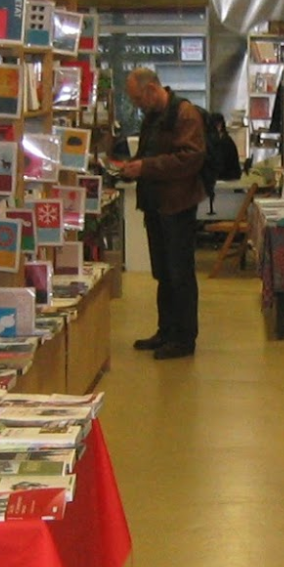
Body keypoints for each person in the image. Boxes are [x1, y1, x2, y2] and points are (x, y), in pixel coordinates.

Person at [108, 67, 205, 359]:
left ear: (151, 89)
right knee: (163, 273)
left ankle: (184, 338)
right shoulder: (153, 117)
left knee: (180, 274)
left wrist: (146, 168)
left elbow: (191, 158)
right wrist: (130, 168)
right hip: (156, 204)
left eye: (138, 99)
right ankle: (166, 331)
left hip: (177, 205)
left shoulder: (185, 114)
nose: (138, 105)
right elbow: (148, 154)